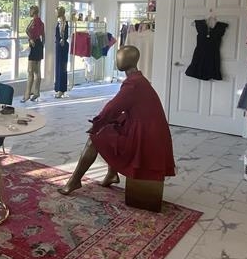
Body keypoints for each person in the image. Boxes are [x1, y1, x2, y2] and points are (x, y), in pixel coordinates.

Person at [58, 45, 175, 194]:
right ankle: (111, 174)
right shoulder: (139, 80)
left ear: (127, 61)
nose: (116, 60)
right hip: (150, 132)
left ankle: (74, 181)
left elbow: (112, 108)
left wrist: (97, 124)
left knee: (96, 137)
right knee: (112, 128)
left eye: (119, 57)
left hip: (145, 137)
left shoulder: (133, 84)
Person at [22, 5, 45, 102]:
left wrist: (31, 40)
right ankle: (36, 92)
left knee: (30, 71)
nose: (29, 12)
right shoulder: (41, 23)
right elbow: (43, 36)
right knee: (37, 71)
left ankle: (27, 94)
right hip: (38, 45)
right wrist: (41, 46)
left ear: (33, 11)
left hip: (35, 45)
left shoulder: (34, 22)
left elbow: (28, 31)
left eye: (30, 10)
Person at [53, 5, 69, 98]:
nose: (55, 13)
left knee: (62, 68)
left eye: (56, 12)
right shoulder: (60, 22)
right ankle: (59, 88)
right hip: (59, 46)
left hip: (62, 47)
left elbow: (63, 35)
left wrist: (62, 40)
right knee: (59, 67)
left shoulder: (64, 23)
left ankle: (61, 89)